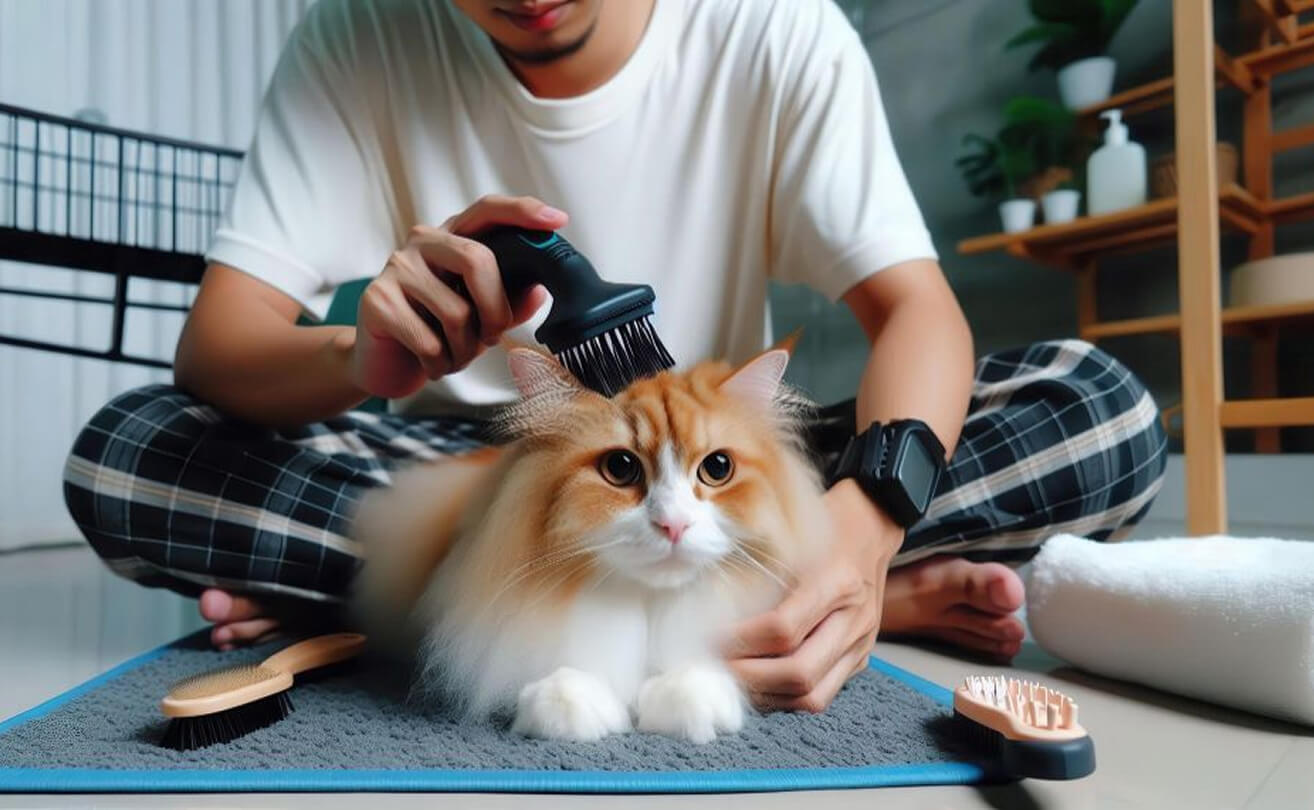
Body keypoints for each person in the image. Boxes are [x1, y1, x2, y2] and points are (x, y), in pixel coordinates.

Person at [64, 0, 1166, 713]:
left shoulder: (778, 30)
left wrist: (863, 531)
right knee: (132, 452)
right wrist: (367, 358)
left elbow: (917, 312)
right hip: (466, 473)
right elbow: (217, 351)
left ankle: (374, 600)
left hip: (726, 470)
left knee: (1100, 405)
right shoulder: (356, 35)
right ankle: (477, 586)